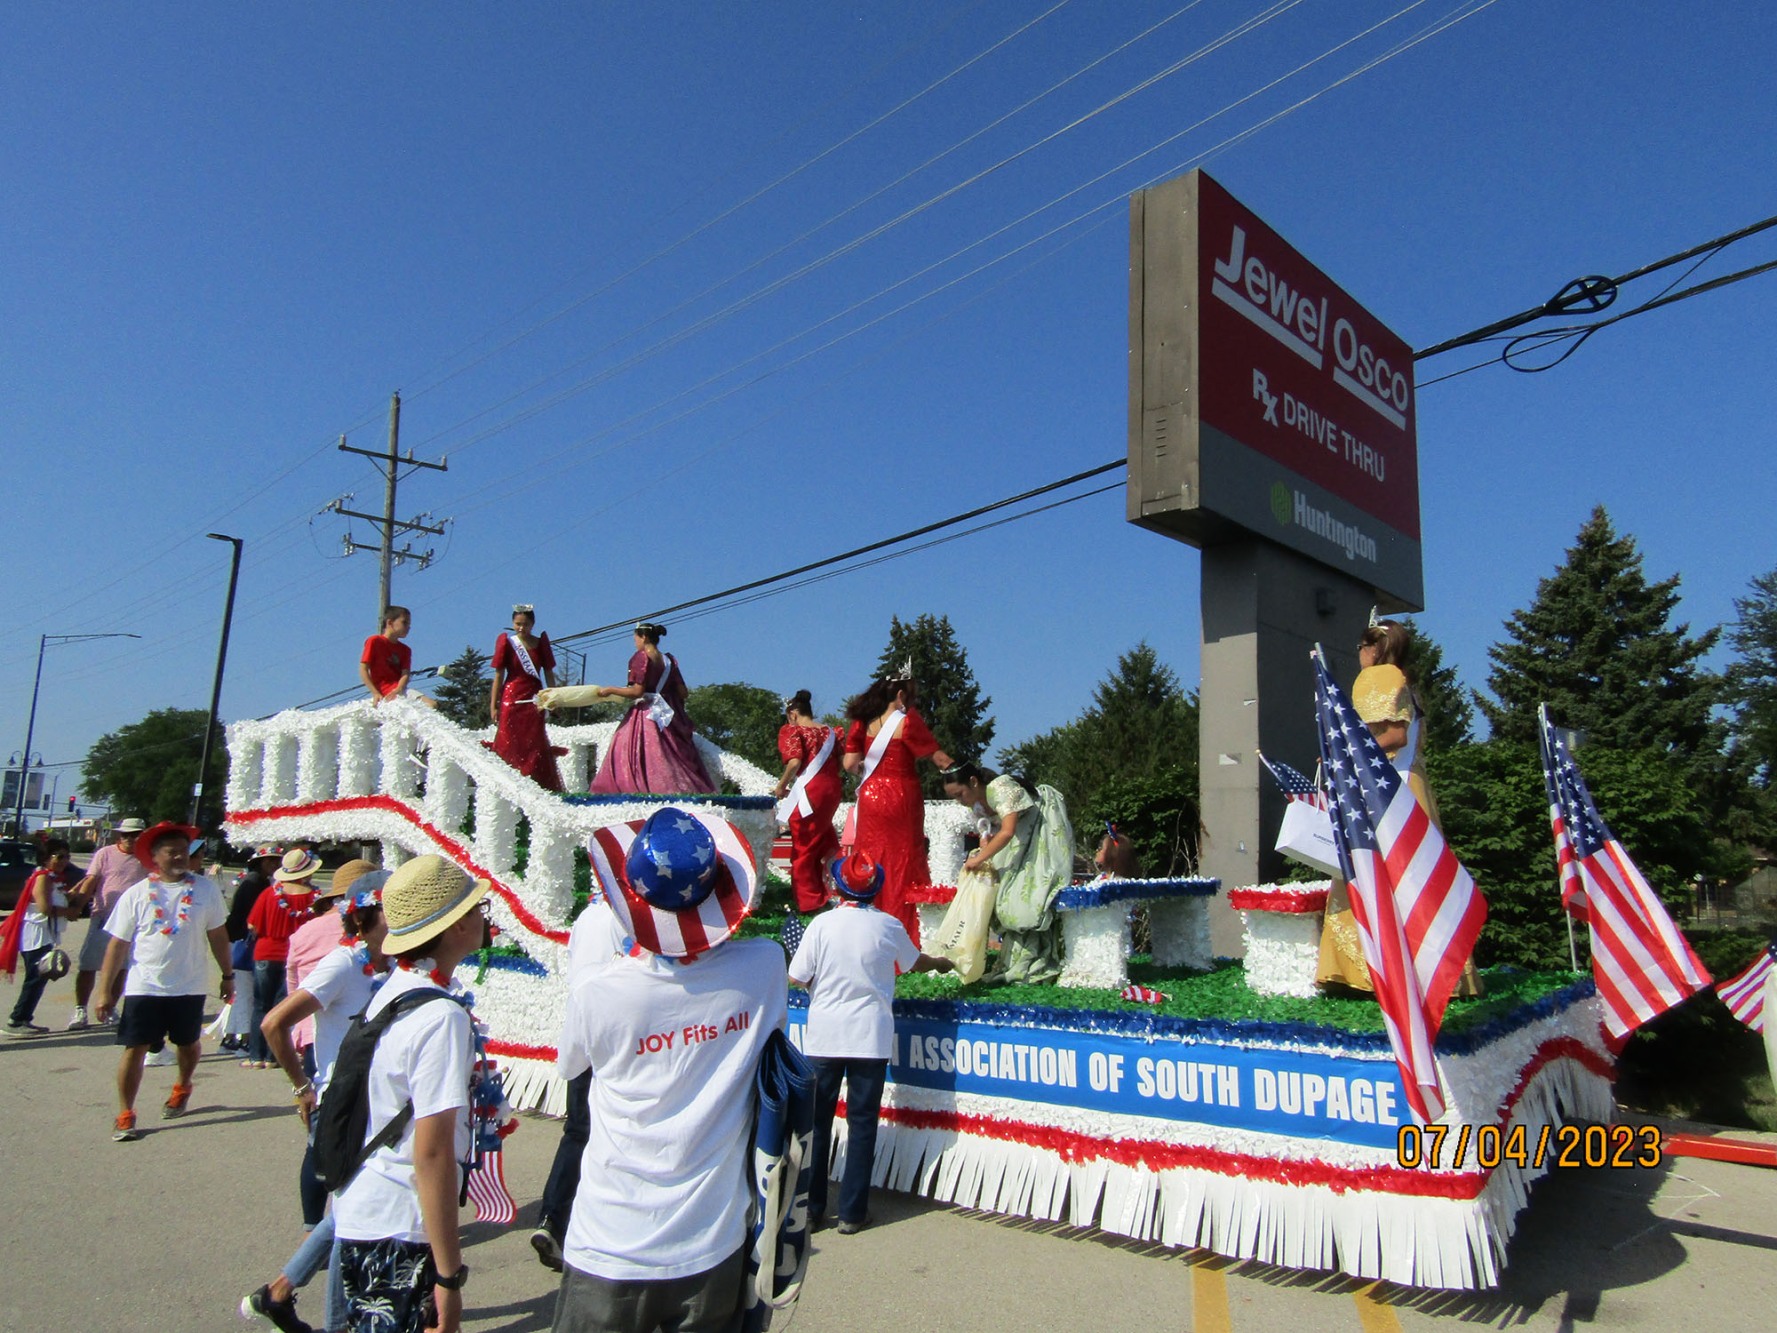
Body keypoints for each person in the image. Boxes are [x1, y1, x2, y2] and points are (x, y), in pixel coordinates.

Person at [552, 807, 787, 1333]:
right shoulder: (765, 965)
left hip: (610, 1239)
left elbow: (572, 1063)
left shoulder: (602, 992)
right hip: (714, 1237)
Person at [331, 854, 489, 1333]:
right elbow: (434, 1150)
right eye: (477, 908)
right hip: (400, 1223)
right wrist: (449, 1275)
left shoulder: (397, 987)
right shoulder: (440, 1016)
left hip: (368, 1207)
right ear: (457, 925)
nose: (485, 917)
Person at [244, 872, 392, 1333]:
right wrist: (302, 1086)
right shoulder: (342, 965)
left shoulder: (387, 965)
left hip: (377, 1106)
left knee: (350, 1210)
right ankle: (328, 1319)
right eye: (393, 910)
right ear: (366, 918)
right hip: (342, 1108)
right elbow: (274, 1024)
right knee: (349, 1217)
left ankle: (279, 1293)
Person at [1316, 619, 1481, 996]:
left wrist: (1347, 750)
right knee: (1422, 880)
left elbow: (1393, 733)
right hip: (1414, 788)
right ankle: (1439, 972)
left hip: (1386, 793)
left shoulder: (1378, 677)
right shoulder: (1407, 682)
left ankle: (1363, 973)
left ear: (1373, 649)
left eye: (1361, 646)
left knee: (1372, 874)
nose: (1358, 654)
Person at [788, 852, 951, 1233]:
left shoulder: (821, 925)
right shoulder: (888, 925)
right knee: (862, 1124)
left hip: (825, 1037)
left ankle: (812, 1211)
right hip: (870, 1038)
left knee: (818, 1122)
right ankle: (851, 1213)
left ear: (838, 887)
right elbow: (915, 962)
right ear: (874, 889)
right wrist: (941, 962)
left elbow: (797, 976)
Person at [94, 822, 233, 1142]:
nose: (181, 857)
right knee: (135, 1048)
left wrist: (227, 976)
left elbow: (218, 936)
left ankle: (183, 1084)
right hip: (145, 985)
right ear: (154, 857)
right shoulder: (137, 894)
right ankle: (126, 1112)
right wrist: (104, 992)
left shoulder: (205, 890)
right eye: (172, 852)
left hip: (190, 985)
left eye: (185, 851)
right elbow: (117, 945)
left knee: (187, 1044)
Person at [285, 858, 380, 1230]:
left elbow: (292, 982)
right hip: (339, 1049)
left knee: (322, 1145)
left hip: (314, 1036)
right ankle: (322, 1235)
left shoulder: (306, 931)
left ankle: (318, 1225)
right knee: (333, 1142)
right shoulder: (348, 949)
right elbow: (277, 1016)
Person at [841, 668, 954, 942]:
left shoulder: (862, 722)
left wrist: (872, 773)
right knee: (903, 859)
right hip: (903, 796)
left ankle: (868, 929)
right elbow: (939, 759)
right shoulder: (909, 720)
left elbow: (849, 764)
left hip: (871, 798)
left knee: (871, 856)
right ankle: (906, 934)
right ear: (901, 694)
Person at [939, 763, 1076, 984]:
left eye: (960, 794)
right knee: (1000, 894)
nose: (960, 801)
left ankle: (1034, 961)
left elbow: (1008, 831)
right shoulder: (977, 805)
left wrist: (978, 858)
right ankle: (1014, 960)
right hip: (1017, 844)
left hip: (1034, 838)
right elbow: (992, 833)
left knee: (1024, 897)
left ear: (974, 782)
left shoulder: (1000, 787)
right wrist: (983, 845)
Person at [583, 622, 717, 796]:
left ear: (644, 637)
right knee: (672, 751)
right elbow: (683, 693)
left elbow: (637, 691)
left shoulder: (641, 657)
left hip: (647, 713)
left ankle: (637, 787)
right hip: (668, 714)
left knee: (627, 747)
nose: (635, 642)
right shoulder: (669, 660)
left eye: (635, 639)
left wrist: (610, 690)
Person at [245, 849, 323, 1069]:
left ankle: (256, 1055)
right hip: (296, 956)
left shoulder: (269, 894)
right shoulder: (314, 898)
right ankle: (273, 1056)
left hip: (265, 953)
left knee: (261, 1004)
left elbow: (252, 925)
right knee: (283, 1006)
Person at [5, 840, 90, 1037]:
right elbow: (45, 908)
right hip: (36, 934)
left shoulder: (52, 878)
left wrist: (72, 894)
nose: (64, 861)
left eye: (67, 857)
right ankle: (17, 1020)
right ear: (46, 858)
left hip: (45, 934)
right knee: (36, 978)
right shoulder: (42, 878)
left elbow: (55, 900)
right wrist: (69, 911)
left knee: (39, 978)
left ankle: (23, 1018)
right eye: (59, 856)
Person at [68, 816, 147, 1029]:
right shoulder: (105, 854)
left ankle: (110, 1007)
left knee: (121, 968)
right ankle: (80, 1010)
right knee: (88, 965)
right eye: (126, 835)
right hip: (103, 916)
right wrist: (78, 905)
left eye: (135, 835)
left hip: (132, 922)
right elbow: (91, 881)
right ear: (119, 836)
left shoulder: (146, 858)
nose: (130, 839)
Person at [773, 690, 843, 915]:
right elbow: (840, 762)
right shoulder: (831, 732)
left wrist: (781, 785)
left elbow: (794, 762)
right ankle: (834, 887)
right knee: (821, 838)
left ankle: (809, 902)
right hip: (832, 789)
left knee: (804, 845)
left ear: (793, 713)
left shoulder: (793, 730)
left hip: (810, 792)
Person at [486, 603, 566, 791]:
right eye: (517, 624)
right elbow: (498, 675)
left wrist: (553, 697)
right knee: (507, 738)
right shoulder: (507, 642)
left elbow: (548, 672)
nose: (521, 628)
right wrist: (494, 705)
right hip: (511, 696)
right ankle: (504, 784)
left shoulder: (540, 643)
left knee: (534, 740)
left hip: (534, 696)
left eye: (525, 624)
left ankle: (536, 783)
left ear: (533, 624)